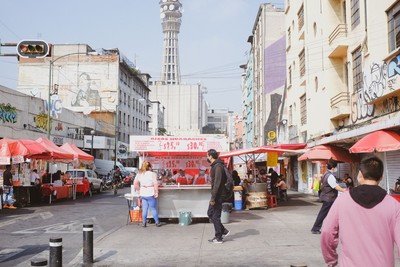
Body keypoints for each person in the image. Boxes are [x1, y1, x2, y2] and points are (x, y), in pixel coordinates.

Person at [321, 156, 400, 267]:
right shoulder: (394, 206)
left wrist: (331, 259)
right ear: (381, 177)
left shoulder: (342, 201)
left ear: (359, 175)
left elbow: (327, 232)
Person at [311, 159, 346, 234]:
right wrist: (344, 190)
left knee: (332, 213)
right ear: (333, 168)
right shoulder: (330, 176)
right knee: (323, 214)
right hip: (329, 198)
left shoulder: (326, 174)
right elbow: (335, 186)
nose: (336, 169)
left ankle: (335, 228)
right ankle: (315, 228)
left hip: (328, 197)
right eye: (336, 168)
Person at [206, 149, 230, 244]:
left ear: (211, 156)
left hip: (218, 195)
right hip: (216, 194)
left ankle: (219, 237)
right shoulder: (215, 166)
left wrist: (213, 198)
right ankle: (223, 230)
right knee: (210, 213)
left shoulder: (218, 166)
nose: (207, 157)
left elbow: (217, 183)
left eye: (207, 156)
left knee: (215, 216)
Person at [134, 161, 161, 227]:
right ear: (149, 167)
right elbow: (155, 184)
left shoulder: (139, 174)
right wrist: (156, 192)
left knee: (145, 208)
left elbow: (135, 184)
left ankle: (144, 222)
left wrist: (139, 190)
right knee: (153, 208)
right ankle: (157, 222)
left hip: (143, 193)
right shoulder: (152, 174)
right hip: (150, 192)